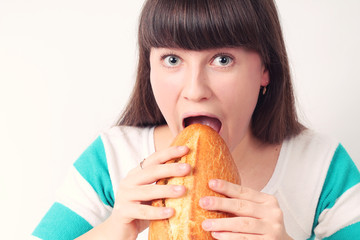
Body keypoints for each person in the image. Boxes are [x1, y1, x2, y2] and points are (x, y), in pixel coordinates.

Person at [32, 0, 360, 239]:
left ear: (265, 69)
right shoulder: (111, 160)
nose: (194, 90)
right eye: (172, 59)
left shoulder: (324, 166)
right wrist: (114, 229)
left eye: (222, 59)